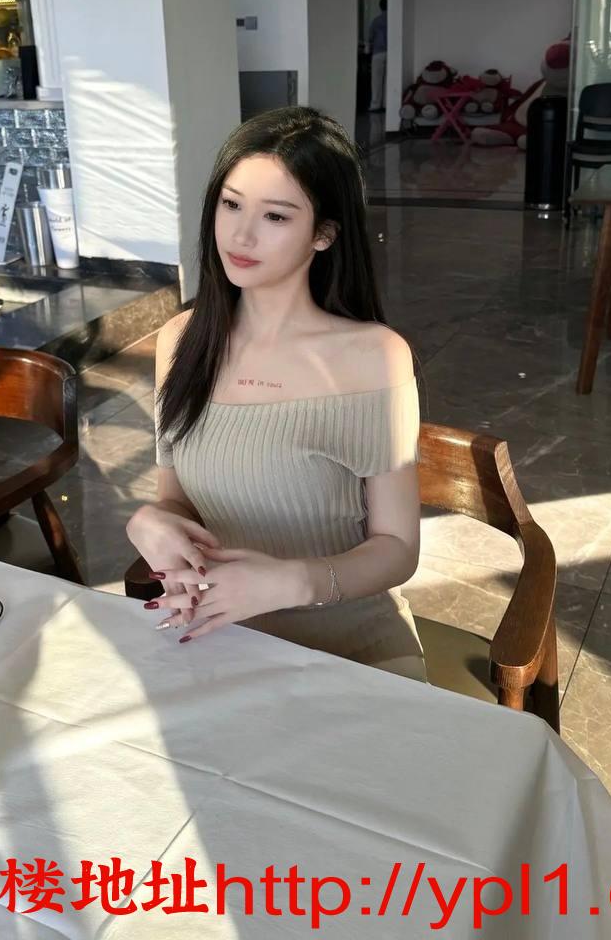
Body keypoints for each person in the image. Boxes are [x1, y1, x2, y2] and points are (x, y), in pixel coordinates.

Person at [126, 106, 426, 682]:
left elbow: (397, 547)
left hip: (351, 643)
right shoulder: (181, 340)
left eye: (275, 216)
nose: (241, 235)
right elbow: (179, 502)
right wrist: (149, 523)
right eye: (231, 204)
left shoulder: (373, 356)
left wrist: (291, 582)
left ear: (324, 234)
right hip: (219, 635)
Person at [368, 0, 388, 113]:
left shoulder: (376, 21)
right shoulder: (394, 19)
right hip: (391, 52)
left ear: (380, 7)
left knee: (376, 80)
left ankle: (375, 104)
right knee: (388, 80)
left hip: (378, 53)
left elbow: (370, 37)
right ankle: (386, 104)